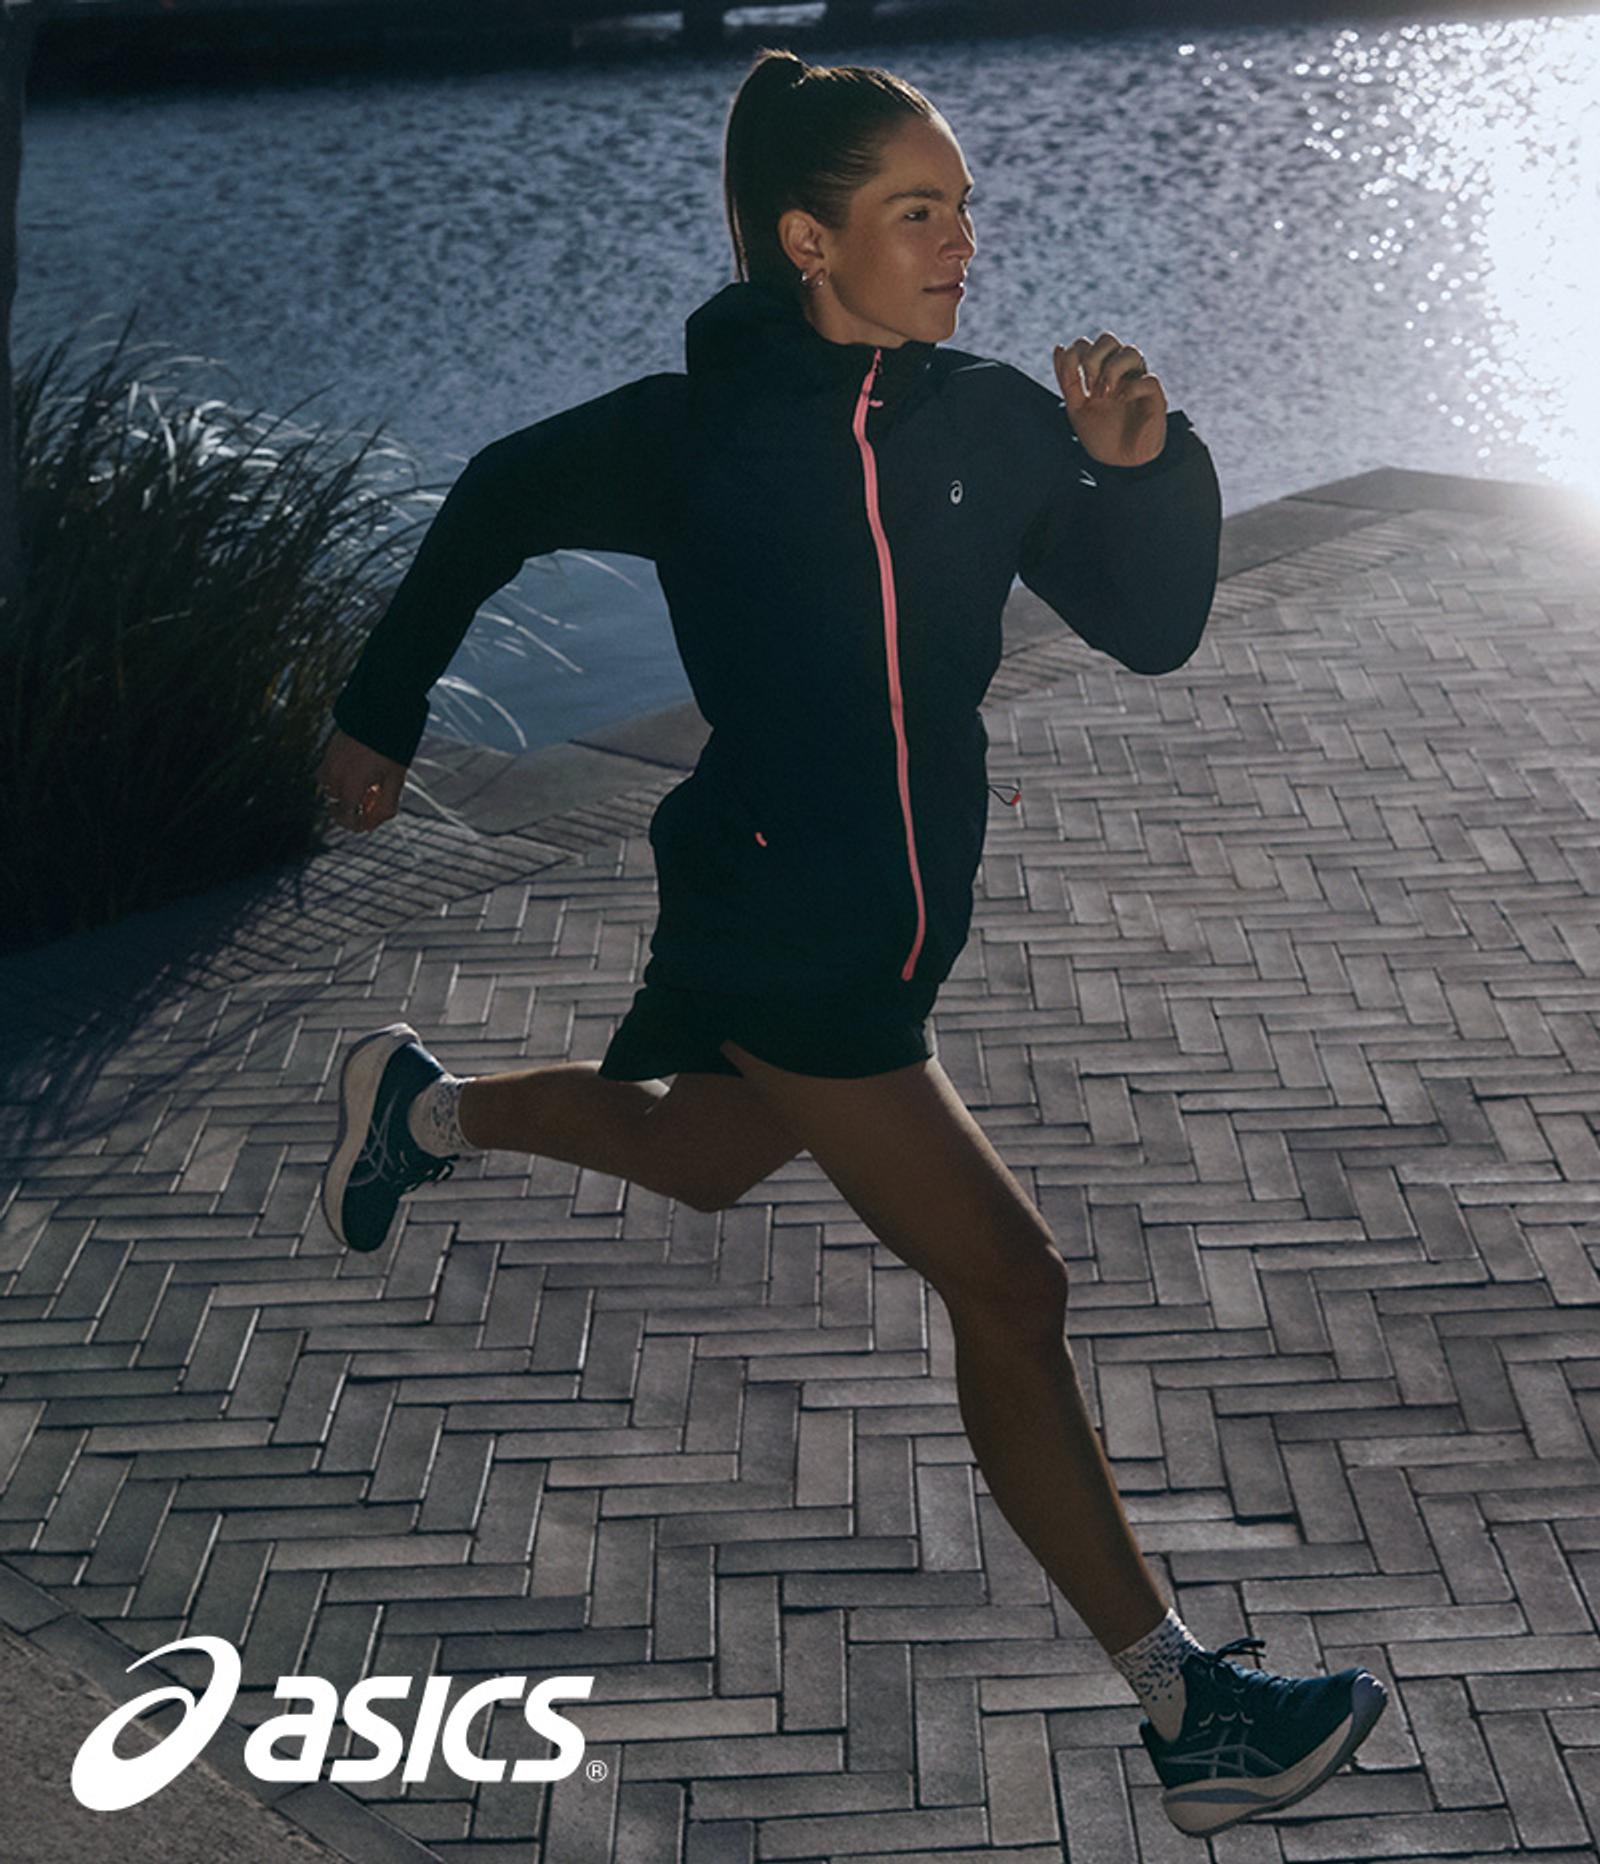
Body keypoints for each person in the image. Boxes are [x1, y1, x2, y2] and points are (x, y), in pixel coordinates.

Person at [315, 47, 1386, 1838]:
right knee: (1012, 1285)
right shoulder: (698, 437)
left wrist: (1146, 464)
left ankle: (420, 1112)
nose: (962, 236)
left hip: (898, 919)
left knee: (704, 1153)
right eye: (918, 210)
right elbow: (494, 493)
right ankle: (1186, 1709)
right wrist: (378, 710)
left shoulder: (987, 422)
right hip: (782, 902)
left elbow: (1153, 629)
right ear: (812, 239)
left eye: (965, 204)